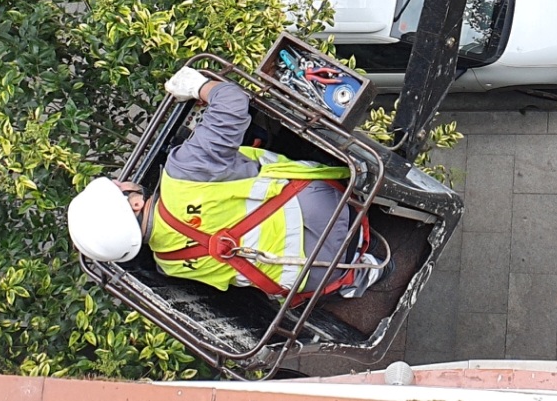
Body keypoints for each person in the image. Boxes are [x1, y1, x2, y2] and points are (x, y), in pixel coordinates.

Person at [68, 68, 387, 299]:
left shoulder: (169, 265)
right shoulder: (184, 173)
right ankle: (367, 207)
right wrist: (199, 87)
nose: (121, 181)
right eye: (118, 188)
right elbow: (233, 103)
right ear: (135, 203)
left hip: (316, 275)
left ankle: (357, 276)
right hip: (335, 213)